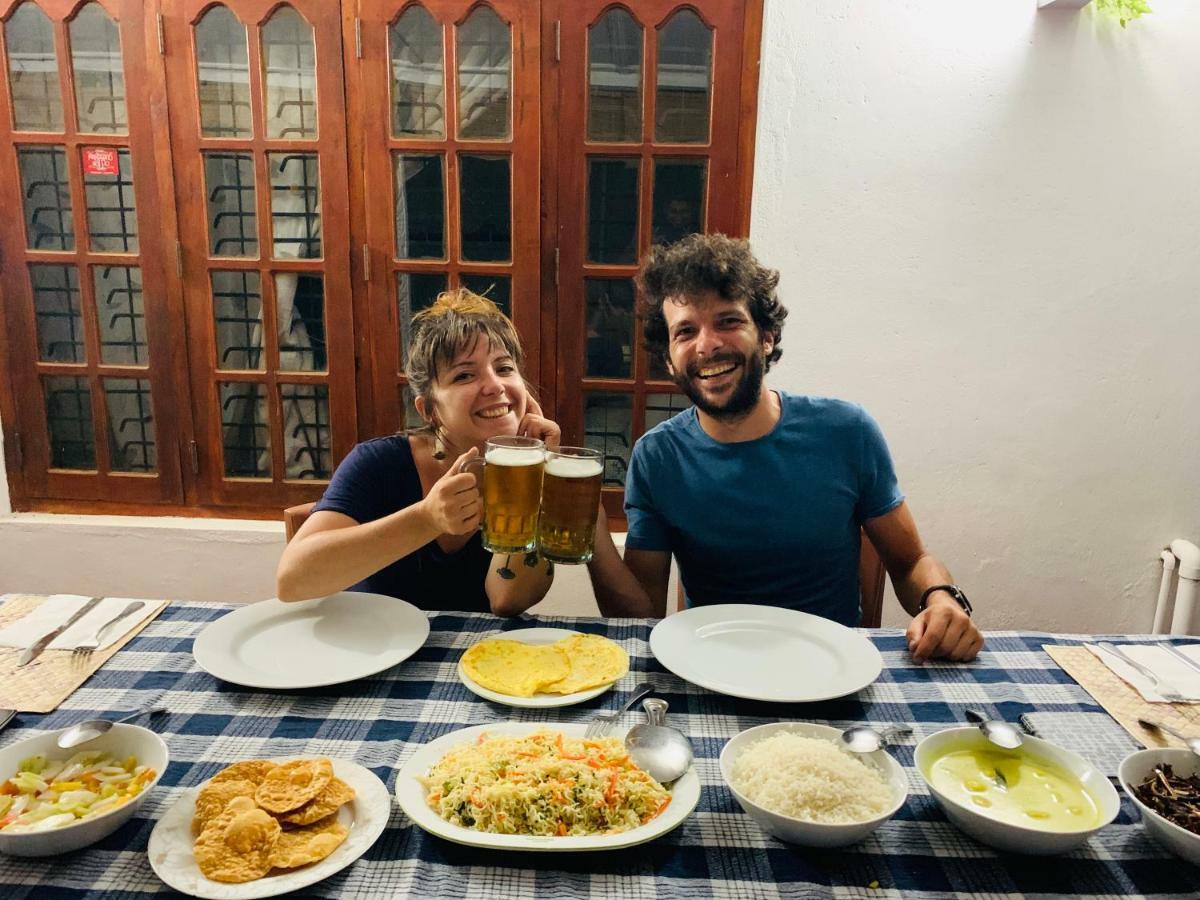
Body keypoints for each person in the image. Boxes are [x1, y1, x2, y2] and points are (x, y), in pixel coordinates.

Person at [586, 234, 984, 663]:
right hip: (713, 669)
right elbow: (640, 614)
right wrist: (587, 522)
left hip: (830, 671)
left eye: (728, 321)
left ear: (768, 336)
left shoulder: (847, 431)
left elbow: (909, 563)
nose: (707, 344)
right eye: (686, 331)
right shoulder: (657, 459)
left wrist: (941, 600)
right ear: (669, 359)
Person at [276, 289, 560, 616]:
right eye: (465, 374)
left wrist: (535, 481)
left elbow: (506, 599)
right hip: (370, 652)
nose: (495, 385)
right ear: (429, 410)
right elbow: (292, 580)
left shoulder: (530, 473)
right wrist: (427, 518)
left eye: (504, 368)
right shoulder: (379, 464)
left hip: (475, 660)